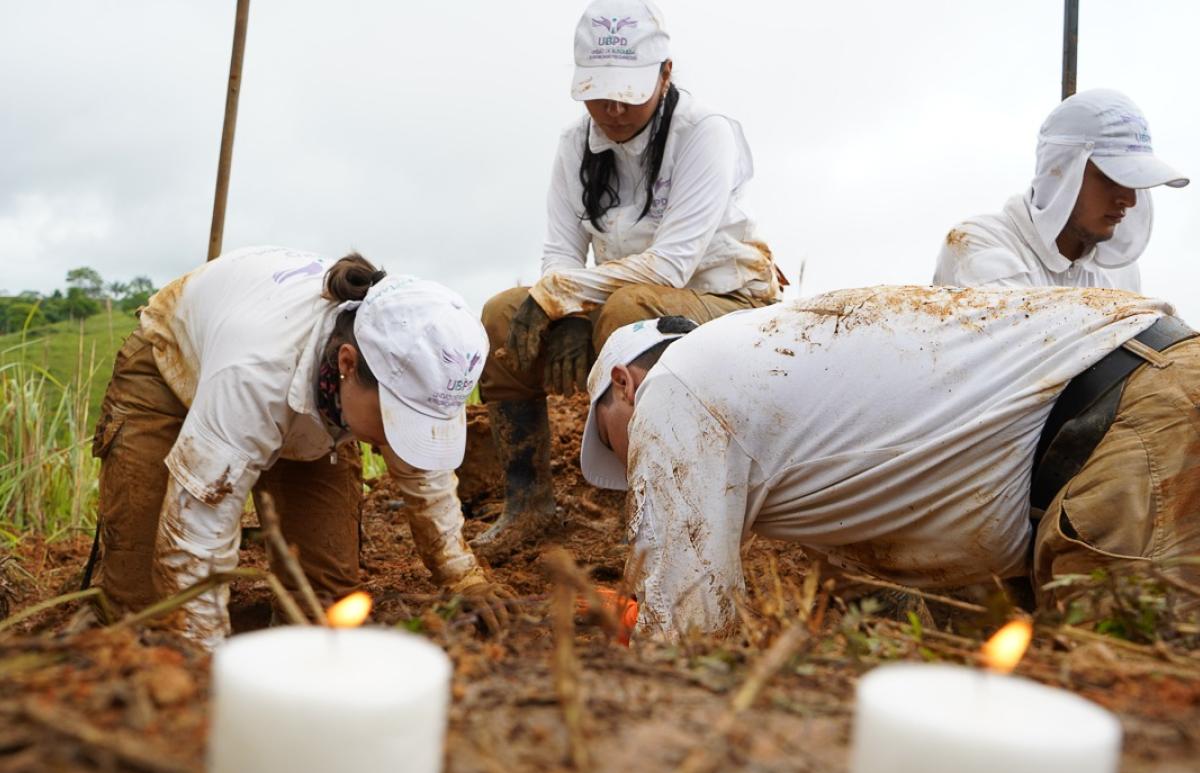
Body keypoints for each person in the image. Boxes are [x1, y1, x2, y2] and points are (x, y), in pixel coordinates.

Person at [580, 289, 1200, 639]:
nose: (632, 474)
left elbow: (684, 632)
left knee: (1131, 706)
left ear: (624, 385)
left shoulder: (675, 388)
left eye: (615, 447)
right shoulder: (773, 379)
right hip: (1145, 391)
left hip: (1133, 425)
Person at [475, 0, 783, 556]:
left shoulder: (704, 133)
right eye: (598, 89)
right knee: (503, 312)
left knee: (626, 318)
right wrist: (563, 312)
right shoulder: (574, 145)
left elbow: (671, 266)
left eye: (629, 89)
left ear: (665, 74)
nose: (613, 107)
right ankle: (529, 503)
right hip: (629, 298)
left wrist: (562, 297)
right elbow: (560, 252)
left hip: (728, 301)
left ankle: (649, 510)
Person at [91, 246, 511, 648]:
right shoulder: (254, 371)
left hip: (313, 412)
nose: (398, 441)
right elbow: (196, 531)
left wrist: (462, 576)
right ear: (347, 364)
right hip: (174, 368)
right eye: (396, 419)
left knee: (324, 609)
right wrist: (204, 664)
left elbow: (427, 476)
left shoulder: (421, 370)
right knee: (148, 613)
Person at [933, 89, 1188, 291]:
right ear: (1062, 171)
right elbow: (1028, 348)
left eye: (1134, 183)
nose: (1129, 200)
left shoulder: (1119, 274)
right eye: (1111, 178)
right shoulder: (979, 243)